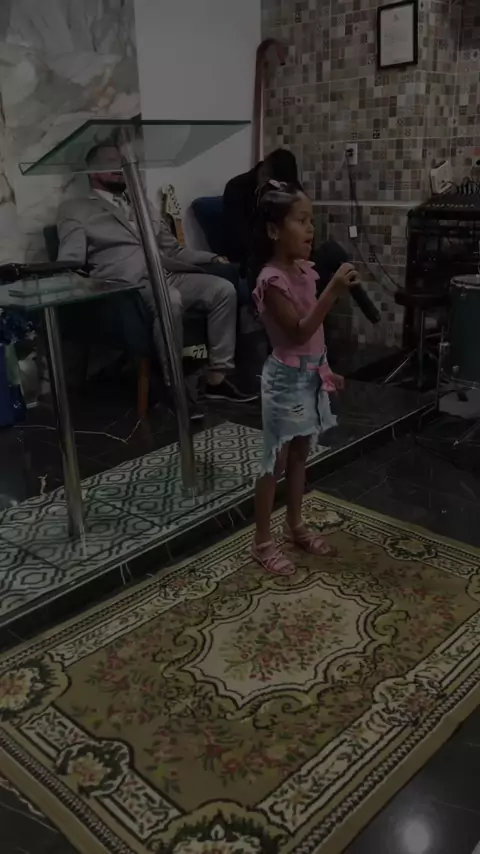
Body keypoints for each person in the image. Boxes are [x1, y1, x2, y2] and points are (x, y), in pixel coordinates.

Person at [57, 143, 256, 413]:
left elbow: (173, 250)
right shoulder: (75, 209)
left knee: (222, 289)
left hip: (165, 274)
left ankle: (217, 378)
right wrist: (75, 281)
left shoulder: (142, 203)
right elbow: (70, 260)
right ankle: (173, 387)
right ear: (92, 171)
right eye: (111, 162)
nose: (120, 168)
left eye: (122, 162)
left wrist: (212, 258)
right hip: (125, 287)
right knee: (169, 299)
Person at [250, 181, 360, 575]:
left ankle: (295, 525)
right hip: (284, 381)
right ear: (273, 230)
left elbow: (314, 338)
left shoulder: (304, 271)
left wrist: (325, 369)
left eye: (311, 220)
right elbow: (297, 333)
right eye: (301, 220)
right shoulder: (271, 280)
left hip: (309, 377)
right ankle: (262, 541)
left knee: (301, 454)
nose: (311, 229)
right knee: (275, 460)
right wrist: (332, 292)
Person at [223, 148, 300, 269]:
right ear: (264, 175)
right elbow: (240, 239)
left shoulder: (291, 186)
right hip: (253, 257)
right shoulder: (236, 188)